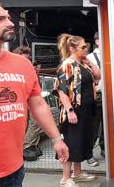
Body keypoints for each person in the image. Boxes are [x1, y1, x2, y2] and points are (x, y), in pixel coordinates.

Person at [0, 1, 69, 186]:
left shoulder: (23, 64)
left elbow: (39, 105)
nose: (10, 23)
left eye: (8, 17)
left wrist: (57, 139)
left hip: (14, 168)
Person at [54, 33, 101, 187]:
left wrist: (89, 62)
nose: (86, 49)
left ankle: (78, 173)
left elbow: (98, 76)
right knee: (71, 142)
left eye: (86, 46)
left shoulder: (83, 63)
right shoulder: (67, 65)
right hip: (74, 110)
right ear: (72, 48)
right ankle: (65, 177)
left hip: (87, 108)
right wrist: (70, 110)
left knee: (82, 141)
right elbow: (61, 90)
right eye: (82, 47)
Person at [12, 46, 44, 161]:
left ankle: (30, 144)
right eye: (24, 59)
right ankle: (26, 145)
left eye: (28, 59)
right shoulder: (13, 70)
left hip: (31, 100)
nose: (26, 62)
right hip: (20, 101)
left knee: (36, 122)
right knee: (29, 123)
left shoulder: (29, 70)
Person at [86, 32, 104, 166]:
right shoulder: (90, 58)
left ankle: (104, 148)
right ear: (97, 41)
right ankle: (89, 153)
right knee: (94, 125)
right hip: (97, 95)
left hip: (111, 94)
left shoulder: (111, 55)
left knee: (108, 125)